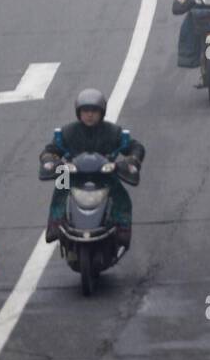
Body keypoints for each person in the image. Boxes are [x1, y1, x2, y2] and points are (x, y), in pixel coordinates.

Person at [41, 89, 145, 249]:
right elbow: (51, 149)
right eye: (85, 111)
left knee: (122, 197)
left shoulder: (113, 132)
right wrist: (50, 159)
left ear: (101, 112)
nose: (89, 115)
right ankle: (55, 223)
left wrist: (132, 159)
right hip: (73, 173)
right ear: (79, 112)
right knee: (60, 187)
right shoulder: (68, 131)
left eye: (94, 111)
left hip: (104, 174)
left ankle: (123, 228)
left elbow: (135, 147)